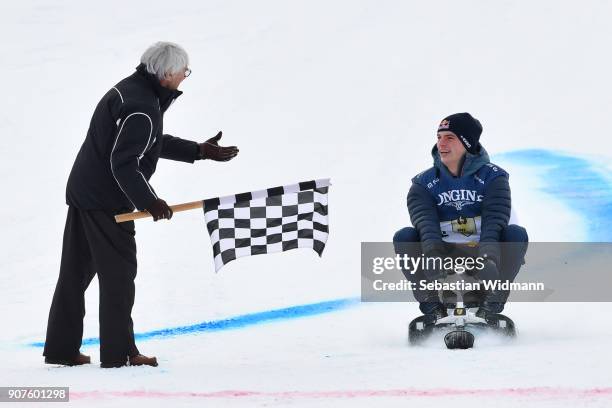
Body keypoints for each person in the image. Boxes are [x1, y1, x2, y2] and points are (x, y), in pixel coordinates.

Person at [43, 42, 239, 368]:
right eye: (182, 73)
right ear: (165, 75)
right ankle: (121, 355)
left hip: (85, 191)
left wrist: (199, 150)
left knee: (74, 275)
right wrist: (150, 202)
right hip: (107, 203)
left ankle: (62, 349)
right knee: (118, 277)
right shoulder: (142, 106)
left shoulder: (134, 93)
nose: (184, 78)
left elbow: (147, 141)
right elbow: (124, 162)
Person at [393, 113, 528, 320]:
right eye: (439, 137)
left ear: (467, 143)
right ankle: (431, 305)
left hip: (483, 250)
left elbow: (495, 222)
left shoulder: (494, 178)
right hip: (443, 251)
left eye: (449, 138)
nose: (441, 144)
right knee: (404, 237)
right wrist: (432, 254)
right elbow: (425, 225)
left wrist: (489, 259)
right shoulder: (422, 184)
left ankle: (493, 301)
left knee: (516, 234)